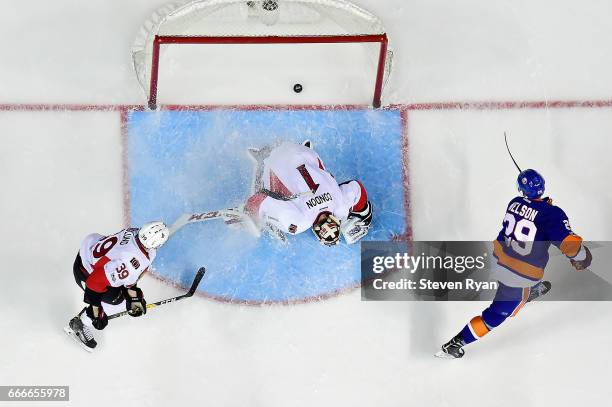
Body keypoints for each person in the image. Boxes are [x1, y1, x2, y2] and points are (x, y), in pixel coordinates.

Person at [437, 169, 592, 359]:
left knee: (534, 256)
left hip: (497, 259)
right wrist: (583, 257)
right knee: (496, 315)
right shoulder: (552, 214)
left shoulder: (514, 203)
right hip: (518, 277)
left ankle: (527, 292)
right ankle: (455, 343)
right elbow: (569, 245)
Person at [244, 140, 372, 246]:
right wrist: (250, 213)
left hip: (305, 153)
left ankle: (297, 153)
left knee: (325, 178)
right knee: (274, 199)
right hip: (274, 159)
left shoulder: (340, 206)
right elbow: (262, 198)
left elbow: (356, 186)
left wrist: (364, 215)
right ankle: (264, 158)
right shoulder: (298, 223)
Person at [64, 222, 169, 350]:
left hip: (88, 250)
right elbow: (94, 283)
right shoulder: (131, 263)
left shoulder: (134, 232)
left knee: (124, 283)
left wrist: (134, 296)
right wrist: (96, 313)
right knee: (118, 301)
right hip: (84, 272)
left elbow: (129, 269)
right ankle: (80, 323)